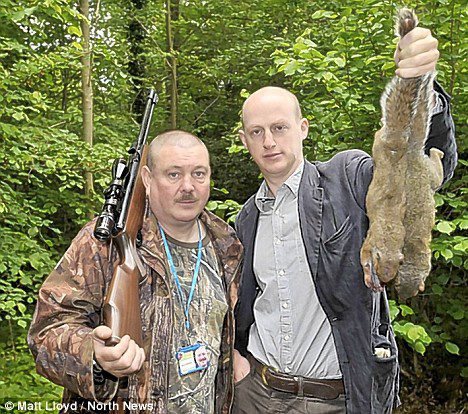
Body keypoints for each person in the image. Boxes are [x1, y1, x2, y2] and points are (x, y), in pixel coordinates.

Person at [231, 25, 457, 414]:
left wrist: (420, 89)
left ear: (302, 129)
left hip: (337, 398)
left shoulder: (346, 179)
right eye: (257, 132)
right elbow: (242, 304)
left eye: (279, 128)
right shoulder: (245, 220)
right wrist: (235, 358)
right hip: (257, 394)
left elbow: (412, 171)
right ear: (245, 140)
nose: (269, 141)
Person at [28, 130, 243, 414]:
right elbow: (46, 331)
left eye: (199, 174)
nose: (188, 186)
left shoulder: (227, 244)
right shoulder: (105, 242)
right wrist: (94, 354)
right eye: (174, 174)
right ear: (147, 179)